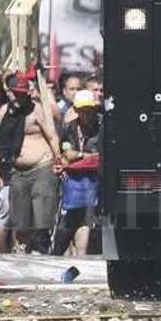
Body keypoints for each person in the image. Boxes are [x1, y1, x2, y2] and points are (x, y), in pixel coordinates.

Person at [0, 70, 65, 254]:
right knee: (20, 223)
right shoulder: (5, 112)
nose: (19, 96)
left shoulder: (37, 110)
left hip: (42, 167)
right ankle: (21, 256)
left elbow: (52, 136)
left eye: (22, 93)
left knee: (41, 220)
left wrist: (58, 159)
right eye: (15, 92)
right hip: (17, 172)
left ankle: (41, 253)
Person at [52, 90, 102, 255]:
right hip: (73, 182)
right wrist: (81, 157)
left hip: (94, 180)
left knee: (86, 220)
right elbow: (67, 153)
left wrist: (79, 156)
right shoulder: (69, 127)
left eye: (89, 110)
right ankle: (58, 256)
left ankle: (82, 257)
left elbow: (102, 156)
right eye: (82, 110)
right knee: (66, 223)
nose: (86, 114)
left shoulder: (102, 128)